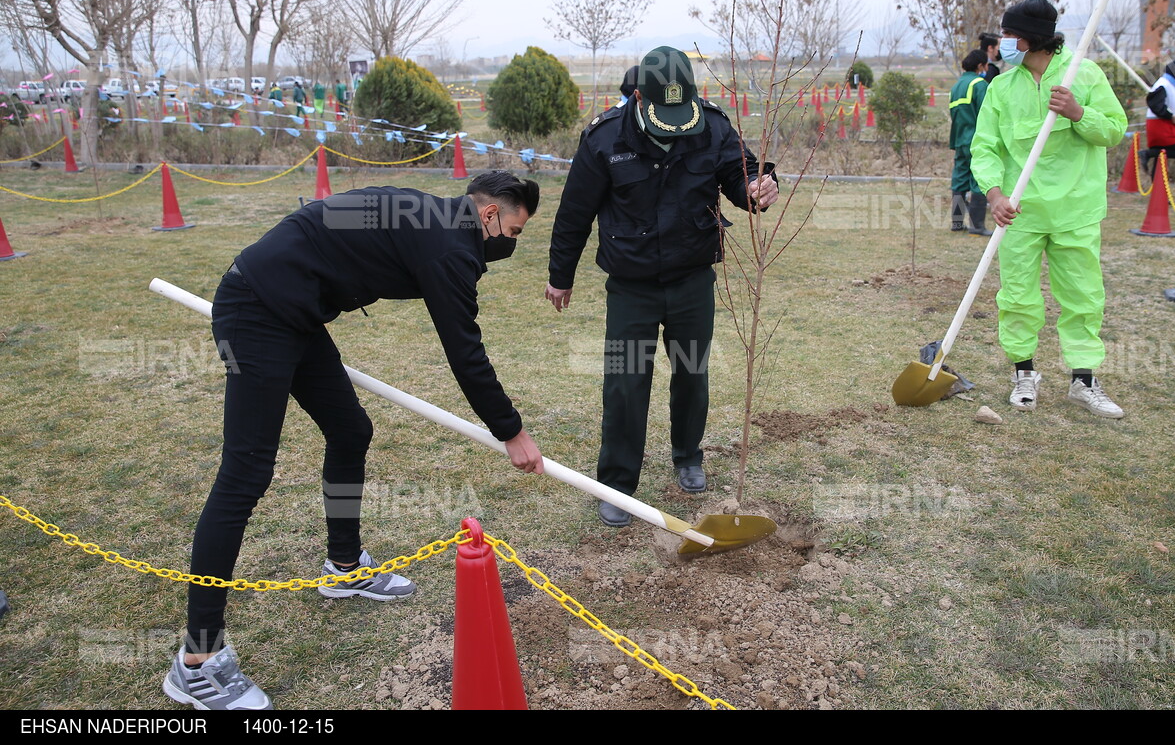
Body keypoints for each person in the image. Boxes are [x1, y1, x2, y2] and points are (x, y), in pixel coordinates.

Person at [164, 172, 544, 710]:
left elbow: (338, 216)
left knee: (351, 430)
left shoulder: (433, 215)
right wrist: (512, 432)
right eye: (514, 230)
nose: (512, 242)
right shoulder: (448, 249)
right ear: (488, 216)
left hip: (294, 309)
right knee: (245, 473)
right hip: (255, 310)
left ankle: (343, 568)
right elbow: (465, 353)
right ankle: (197, 662)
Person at [545, 46, 778, 527]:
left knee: (692, 373)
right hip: (631, 287)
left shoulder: (711, 126)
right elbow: (574, 213)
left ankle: (688, 455)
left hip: (693, 278)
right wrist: (560, 276)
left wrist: (757, 187)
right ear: (637, 97)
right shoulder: (604, 138)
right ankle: (616, 483)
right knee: (625, 384)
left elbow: (739, 173)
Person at [970, 0, 1128, 419]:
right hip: (1020, 213)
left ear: (1028, 38)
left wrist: (1079, 113)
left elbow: (1114, 130)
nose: (1001, 42)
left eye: (1007, 34)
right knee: (1017, 296)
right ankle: (1024, 374)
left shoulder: (1086, 74)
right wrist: (995, 195)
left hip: (1076, 209)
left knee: (1082, 296)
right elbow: (985, 148)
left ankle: (1084, 381)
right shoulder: (1001, 88)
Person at [948, 48, 991, 235]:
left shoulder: (956, 86)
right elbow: (987, 113)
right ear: (980, 65)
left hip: (959, 140)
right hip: (975, 140)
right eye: (986, 65)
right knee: (978, 180)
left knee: (959, 181)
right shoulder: (979, 84)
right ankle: (977, 226)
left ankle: (957, 222)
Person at [1138, 59, 1175, 180]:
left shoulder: (1172, 85)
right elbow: (1155, 104)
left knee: (1160, 157)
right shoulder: (1163, 84)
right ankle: (1147, 153)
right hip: (1160, 124)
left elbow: (1170, 104)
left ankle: (1158, 192)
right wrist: (1170, 116)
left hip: (1166, 123)